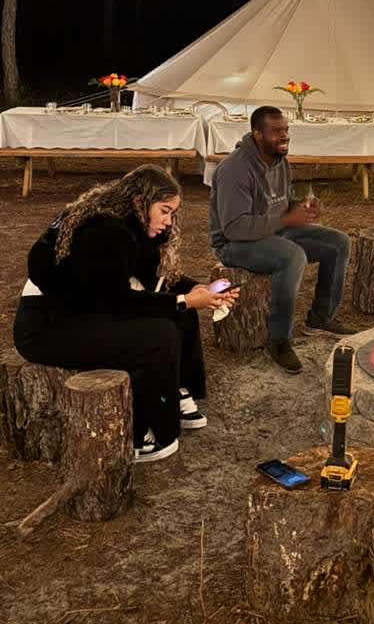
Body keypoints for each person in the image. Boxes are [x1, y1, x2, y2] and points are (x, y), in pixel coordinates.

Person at [14, 165, 239, 463]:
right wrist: (185, 300)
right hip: (47, 326)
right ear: (139, 202)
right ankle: (141, 434)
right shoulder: (105, 231)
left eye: (172, 213)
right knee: (158, 335)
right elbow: (117, 302)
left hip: (84, 309)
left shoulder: (128, 223)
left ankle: (174, 392)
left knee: (179, 312)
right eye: (165, 211)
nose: (169, 221)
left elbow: (151, 275)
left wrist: (197, 289)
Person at [209, 106, 353, 374]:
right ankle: (278, 341)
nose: (284, 136)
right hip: (234, 244)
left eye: (285, 130)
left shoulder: (279, 161)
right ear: (257, 134)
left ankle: (320, 319)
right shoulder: (234, 169)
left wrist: (301, 208)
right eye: (276, 131)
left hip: (273, 232)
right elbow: (234, 228)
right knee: (291, 256)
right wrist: (286, 219)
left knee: (338, 243)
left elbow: (281, 205)